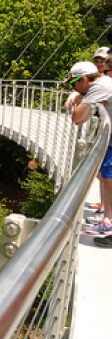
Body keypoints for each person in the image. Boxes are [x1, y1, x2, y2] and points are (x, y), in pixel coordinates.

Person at [66, 61, 112, 244]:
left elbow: (77, 118)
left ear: (83, 79)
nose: (74, 88)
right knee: (105, 178)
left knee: (108, 179)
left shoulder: (99, 87)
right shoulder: (105, 83)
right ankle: (108, 221)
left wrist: (80, 100)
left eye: (74, 84)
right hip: (109, 141)